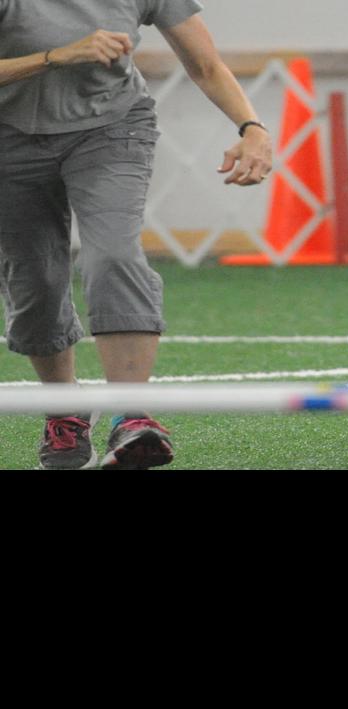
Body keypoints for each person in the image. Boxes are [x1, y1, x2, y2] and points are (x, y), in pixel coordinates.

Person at [0, 1, 273, 469]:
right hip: (9, 136)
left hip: (112, 128)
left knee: (113, 256)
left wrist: (252, 127)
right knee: (36, 281)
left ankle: (132, 416)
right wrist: (57, 56)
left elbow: (205, 63)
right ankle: (64, 413)